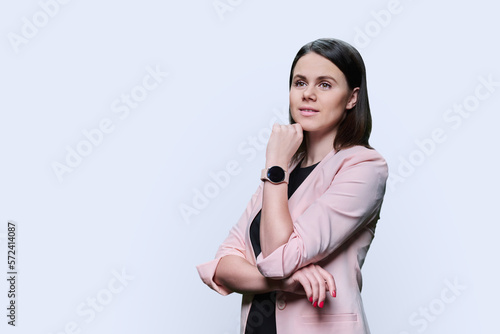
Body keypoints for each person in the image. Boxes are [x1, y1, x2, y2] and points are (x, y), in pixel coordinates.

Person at [196, 38, 388, 334]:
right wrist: (284, 282)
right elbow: (222, 266)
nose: (308, 94)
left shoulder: (363, 167)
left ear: (352, 98)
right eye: (300, 83)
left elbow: (279, 260)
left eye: (325, 84)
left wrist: (275, 164)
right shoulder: (288, 168)